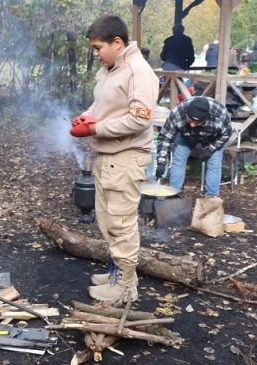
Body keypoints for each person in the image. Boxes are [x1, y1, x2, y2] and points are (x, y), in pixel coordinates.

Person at [70, 15, 158, 305]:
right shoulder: (110, 69)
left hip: (126, 157)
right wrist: (87, 115)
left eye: (98, 48)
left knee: (121, 223)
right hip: (108, 156)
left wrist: (96, 128)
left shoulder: (137, 72)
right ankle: (117, 274)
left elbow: (139, 119)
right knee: (108, 221)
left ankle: (125, 289)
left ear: (117, 42)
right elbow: (103, 104)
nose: (95, 54)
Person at [155, 96, 233, 197]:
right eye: (190, 120)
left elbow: (226, 134)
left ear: (206, 119)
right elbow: (165, 137)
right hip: (185, 136)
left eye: (196, 123)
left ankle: (211, 200)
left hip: (212, 138)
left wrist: (211, 149)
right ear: (186, 113)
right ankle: (174, 195)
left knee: (214, 166)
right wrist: (161, 162)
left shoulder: (220, 115)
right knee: (178, 162)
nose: (192, 125)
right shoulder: (177, 113)